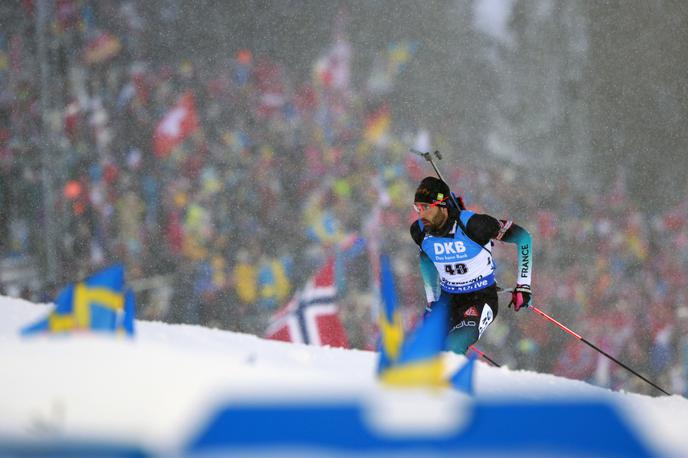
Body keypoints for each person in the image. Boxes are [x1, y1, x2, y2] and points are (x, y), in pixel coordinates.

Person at [410, 176, 533, 354]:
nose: (420, 214)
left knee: (453, 347)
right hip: (448, 300)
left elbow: (523, 237)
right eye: (417, 208)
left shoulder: (474, 225)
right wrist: (432, 301)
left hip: (481, 298)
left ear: (442, 205)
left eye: (426, 207)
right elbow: (426, 259)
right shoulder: (419, 231)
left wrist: (523, 285)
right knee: (424, 350)